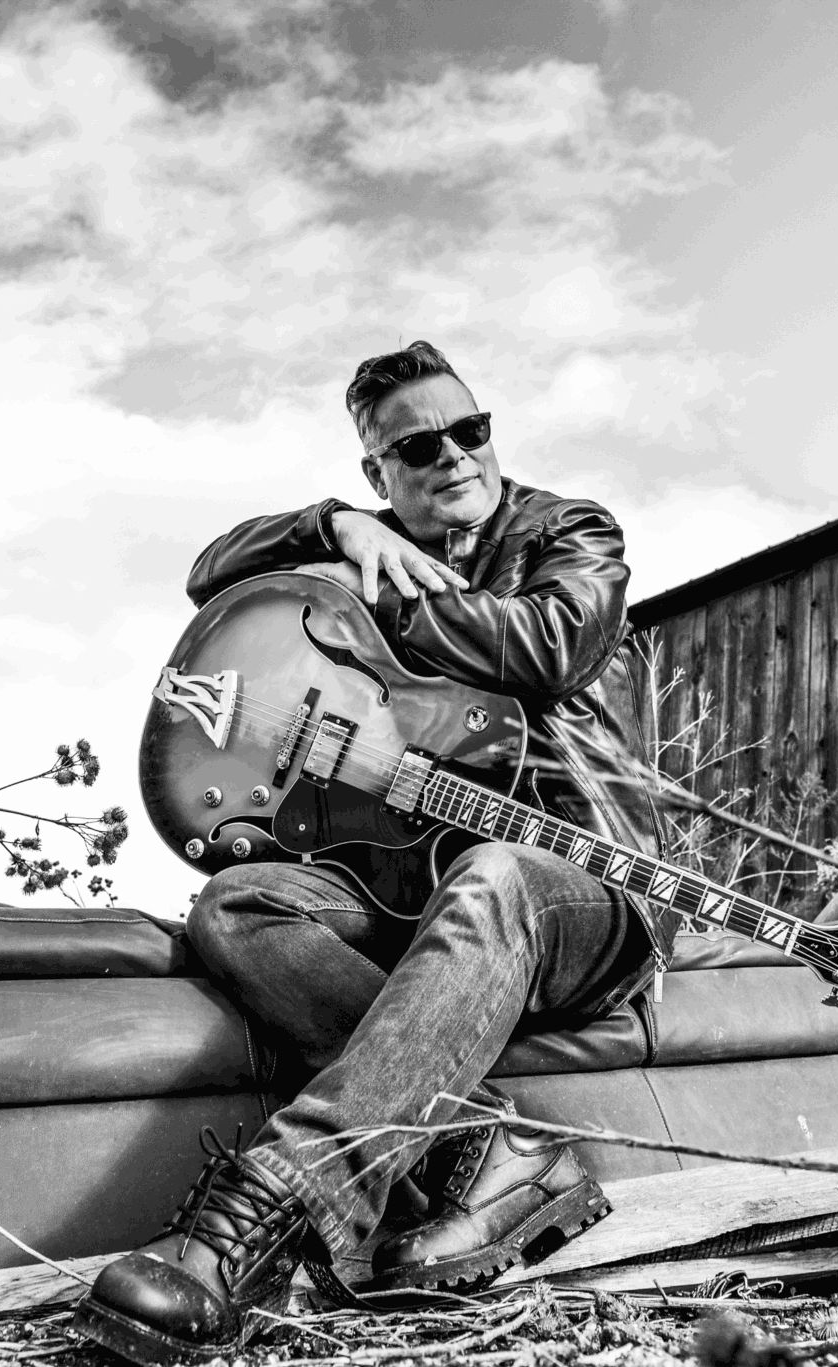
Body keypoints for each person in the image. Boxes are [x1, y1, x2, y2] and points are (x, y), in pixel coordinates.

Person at [73, 342, 680, 1366]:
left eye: (469, 430)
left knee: (496, 875)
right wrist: (332, 528)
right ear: (379, 470)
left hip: (586, 883)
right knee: (239, 901)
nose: (454, 456)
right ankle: (489, 1144)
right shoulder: (360, 537)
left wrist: (378, 594)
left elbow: (549, 647)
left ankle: (270, 1210)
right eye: (418, 446)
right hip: (416, 888)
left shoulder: (570, 532)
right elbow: (209, 572)